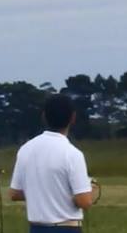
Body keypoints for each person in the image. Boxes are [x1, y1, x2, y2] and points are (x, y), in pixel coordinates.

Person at [9, 94, 94, 233]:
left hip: (36, 228)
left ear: (44, 116)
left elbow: (14, 193)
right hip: (66, 228)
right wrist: (90, 190)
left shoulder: (25, 149)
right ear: (73, 118)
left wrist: (42, 192)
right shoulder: (73, 154)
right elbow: (84, 201)